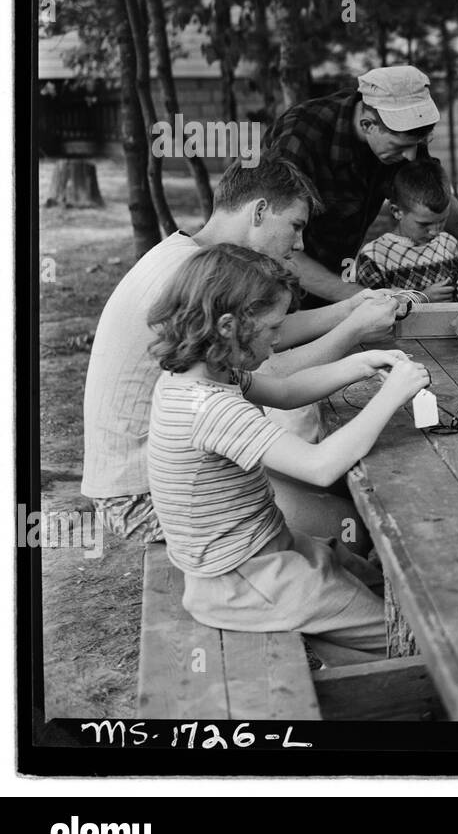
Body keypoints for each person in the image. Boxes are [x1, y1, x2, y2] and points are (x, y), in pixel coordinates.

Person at [81, 159, 399, 546]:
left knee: (348, 494)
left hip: (185, 462)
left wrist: (349, 308)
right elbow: (274, 369)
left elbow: (268, 333)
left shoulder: (194, 259)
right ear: (260, 211)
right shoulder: (186, 275)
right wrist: (354, 330)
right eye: (296, 226)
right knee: (357, 529)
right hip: (142, 493)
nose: (299, 244)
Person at [145, 244, 431, 665]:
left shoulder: (205, 376)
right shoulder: (209, 408)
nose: (279, 338)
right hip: (244, 580)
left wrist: (363, 363)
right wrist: (390, 396)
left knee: (373, 581)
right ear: (228, 326)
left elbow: (284, 391)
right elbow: (320, 467)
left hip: (266, 549)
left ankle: (354, 654)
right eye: (273, 327)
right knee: (413, 636)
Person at [261, 65, 458, 305]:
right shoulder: (301, 136)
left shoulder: (404, 138)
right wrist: (365, 298)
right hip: (271, 283)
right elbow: (274, 246)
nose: (411, 158)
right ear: (368, 125)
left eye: (417, 146)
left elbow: (428, 196)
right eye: (401, 148)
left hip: (337, 276)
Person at [353, 157, 458, 301]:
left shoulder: (450, 244)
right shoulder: (374, 256)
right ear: (397, 212)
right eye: (424, 224)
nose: (435, 232)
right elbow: (369, 313)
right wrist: (422, 298)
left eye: (442, 221)